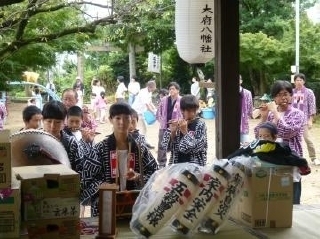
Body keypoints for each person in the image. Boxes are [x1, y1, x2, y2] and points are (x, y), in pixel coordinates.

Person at [80, 102, 158, 217]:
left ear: (131, 119)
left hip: (135, 207)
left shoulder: (140, 149)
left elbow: (155, 174)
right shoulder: (100, 149)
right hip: (105, 206)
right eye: (118, 118)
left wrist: (138, 177)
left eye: (126, 118)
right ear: (110, 119)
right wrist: (103, 185)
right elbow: (85, 178)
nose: (122, 122)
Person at [254, 80, 305, 205]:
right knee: (276, 197)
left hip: (290, 161)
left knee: (292, 199)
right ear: (274, 98)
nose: (283, 97)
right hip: (272, 160)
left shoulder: (298, 114)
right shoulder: (270, 115)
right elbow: (259, 136)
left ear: (291, 96)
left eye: (286, 94)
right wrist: (264, 117)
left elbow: (288, 132)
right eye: (279, 95)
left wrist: (275, 113)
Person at [42, 100, 94, 173]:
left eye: (57, 122)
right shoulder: (35, 140)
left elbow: (81, 169)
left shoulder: (71, 143)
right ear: (42, 120)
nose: (52, 126)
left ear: (64, 122)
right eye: (49, 121)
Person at [161, 94, 207, 166]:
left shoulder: (200, 124)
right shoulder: (176, 123)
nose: (192, 114)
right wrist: (173, 133)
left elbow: (198, 147)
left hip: (196, 167)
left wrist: (185, 132)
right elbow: (165, 147)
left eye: (194, 111)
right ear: (182, 110)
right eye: (189, 111)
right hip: (177, 166)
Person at [292, 73, 319, 165]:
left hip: (304, 120)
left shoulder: (309, 92)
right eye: (297, 80)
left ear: (304, 81)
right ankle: (295, 157)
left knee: (307, 139)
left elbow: (312, 106)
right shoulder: (291, 92)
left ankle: (313, 157)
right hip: (293, 120)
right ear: (294, 81)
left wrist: (310, 120)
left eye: (301, 80)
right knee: (293, 139)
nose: (299, 82)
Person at [156, 82, 183, 168]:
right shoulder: (164, 99)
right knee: (161, 145)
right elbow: (158, 110)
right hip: (164, 125)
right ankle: (161, 163)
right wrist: (161, 119)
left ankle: (174, 162)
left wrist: (179, 122)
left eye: (173, 89)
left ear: (178, 90)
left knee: (175, 144)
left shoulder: (181, 100)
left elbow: (183, 113)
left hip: (176, 126)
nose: (171, 90)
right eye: (170, 89)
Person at [131, 80, 157, 149]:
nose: (155, 88)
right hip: (135, 112)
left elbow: (150, 102)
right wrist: (154, 113)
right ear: (151, 87)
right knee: (140, 128)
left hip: (141, 112)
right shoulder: (143, 92)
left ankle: (144, 142)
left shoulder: (149, 92)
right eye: (155, 87)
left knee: (144, 128)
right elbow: (147, 105)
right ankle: (140, 144)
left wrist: (155, 109)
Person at [239, 74, 253, 145]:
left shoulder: (247, 93)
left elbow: (250, 106)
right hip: (231, 125)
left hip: (244, 123)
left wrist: (249, 115)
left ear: (241, 81)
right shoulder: (228, 93)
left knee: (245, 145)